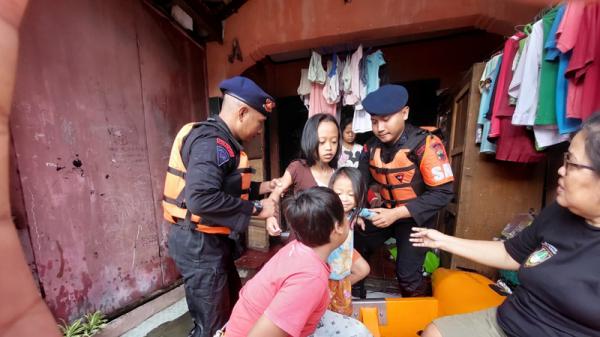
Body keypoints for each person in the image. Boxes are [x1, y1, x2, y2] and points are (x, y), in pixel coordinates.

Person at [411, 113, 600, 337]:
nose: (561, 169)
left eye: (572, 162)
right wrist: (443, 240)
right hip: (509, 321)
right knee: (434, 332)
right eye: (565, 159)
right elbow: (512, 254)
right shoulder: (559, 212)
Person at [164, 76, 281, 337]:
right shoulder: (212, 143)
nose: (260, 130)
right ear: (242, 113)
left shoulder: (223, 142)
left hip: (210, 243)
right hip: (199, 244)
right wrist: (257, 209)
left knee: (231, 310)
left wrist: (265, 187)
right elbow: (202, 198)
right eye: (260, 122)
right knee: (212, 324)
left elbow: (226, 185)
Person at [224, 187, 371, 337]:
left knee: (358, 331)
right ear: (337, 228)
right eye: (345, 217)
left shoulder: (298, 248)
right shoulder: (309, 277)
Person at [356, 84, 454, 297]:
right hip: (383, 212)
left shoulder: (426, 144)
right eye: (374, 121)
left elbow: (443, 193)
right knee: (351, 241)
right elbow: (359, 184)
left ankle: (416, 316)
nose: (380, 127)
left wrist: (397, 214)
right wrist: (356, 211)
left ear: (405, 113)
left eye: (386, 119)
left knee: (408, 274)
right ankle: (354, 294)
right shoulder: (369, 147)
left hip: (414, 218)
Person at [327, 167, 371, 315]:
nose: (344, 199)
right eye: (338, 193)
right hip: (331, 261)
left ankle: (342, 288)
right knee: (327, 304)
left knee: (363, 269)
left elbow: (368, 213)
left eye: (351, 194)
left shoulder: (353, 213)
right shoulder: (328, 214)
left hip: (346, 253)